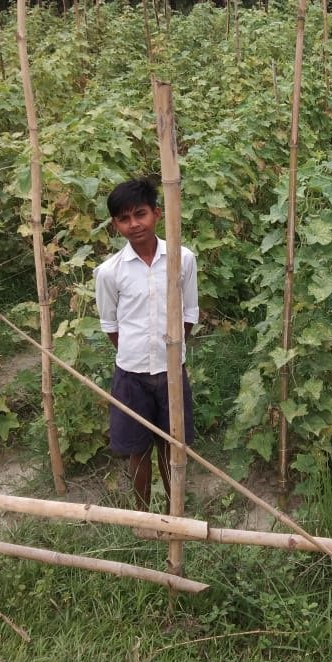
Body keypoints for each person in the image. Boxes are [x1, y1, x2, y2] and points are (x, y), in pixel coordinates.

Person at [94, 178, 199, 512]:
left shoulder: (182, 259)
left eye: (140, 214)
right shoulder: (110, 272)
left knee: (172, 446)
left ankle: (174, 512)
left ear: (156, 213)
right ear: (115, 225)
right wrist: (137, 353)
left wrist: (170, 349)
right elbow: (111, 325)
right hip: (131, 375)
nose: (133, 224)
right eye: (124, 219)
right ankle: (142, 515)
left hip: (171, 371)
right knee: (137, 451)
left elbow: (190, 313)